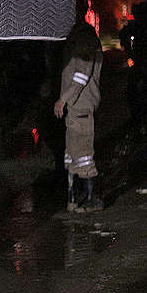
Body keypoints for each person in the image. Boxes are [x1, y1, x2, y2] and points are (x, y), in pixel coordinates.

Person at [54, 22, 103, 212]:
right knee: (77, 154)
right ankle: (81, 199)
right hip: (78, 107)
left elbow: (82, 74)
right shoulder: (81, 39)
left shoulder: (83, 40)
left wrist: (63, 99)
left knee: (79, 154)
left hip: (79, 106)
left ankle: (81, 199)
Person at [118, 1, 147, 132]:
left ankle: (144, 123)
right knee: (144, 93)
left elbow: (124, 35)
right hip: (144, 64)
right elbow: (124, 35)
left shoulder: (146, 25)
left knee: (142, 93)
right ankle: (145, 123)